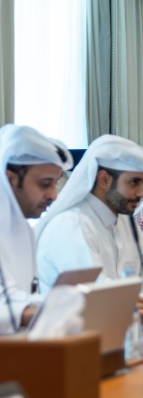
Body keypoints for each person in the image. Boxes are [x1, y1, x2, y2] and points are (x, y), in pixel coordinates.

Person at [35, 134, 143, 289]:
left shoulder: (127, 223)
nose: (141, 193)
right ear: (104, 179)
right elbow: (94, 292)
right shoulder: (72, 224)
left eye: (142, 183)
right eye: (133, 182)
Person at [0, 125, 73, 334]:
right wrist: (29, 312)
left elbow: (19, 295)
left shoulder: (23, 227)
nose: (53, 195)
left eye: (55, 184)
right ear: (10, 179)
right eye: (45, 184)